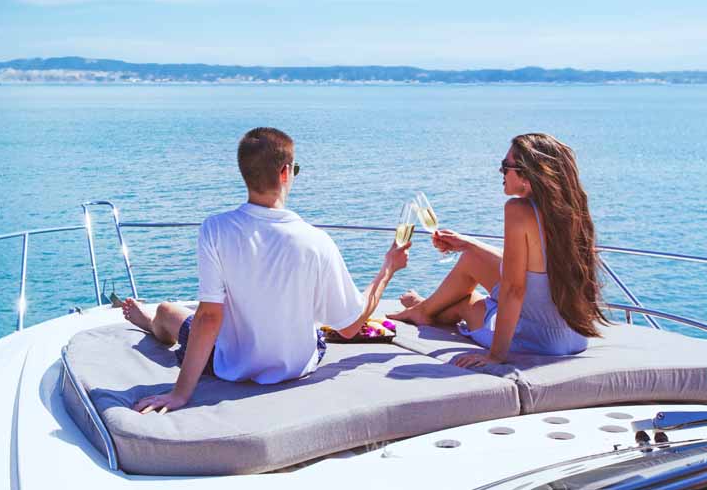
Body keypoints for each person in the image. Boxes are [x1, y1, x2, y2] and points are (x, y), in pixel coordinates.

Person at [122, 127, 410, 414]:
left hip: (229, 366)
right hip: (297, 367)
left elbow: (209, 317)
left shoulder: (216, 229)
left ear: (244, 173)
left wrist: (180, 393)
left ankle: (151, 323)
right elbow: (348, 327)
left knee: (168, 311)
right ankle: (152, 321)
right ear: (286, 173)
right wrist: (388, 268)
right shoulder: (316, 241)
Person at [389, 133, 608, 367]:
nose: (500, 172)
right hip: (574, 336)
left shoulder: (518, 210)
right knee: (471, 257)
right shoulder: (570, 209)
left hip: (538, 340)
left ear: (527, 173)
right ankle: (424, 308)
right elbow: (535, 265)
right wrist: (468, 243)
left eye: (506, 167)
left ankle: (425, 310)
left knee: (466, 302)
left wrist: (495, 356)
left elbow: (514, 289)